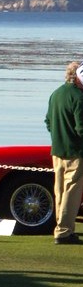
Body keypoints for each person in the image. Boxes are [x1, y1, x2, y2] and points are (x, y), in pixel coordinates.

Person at [45, 61, 83, 245]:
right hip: (76, 152)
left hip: (57, 150)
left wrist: (58, 136)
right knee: (71, 192)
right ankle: (64, 232)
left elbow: (48, 121)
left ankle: (61, 228)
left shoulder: (56, 94)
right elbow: (82, 128)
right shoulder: (79, 97)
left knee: (59, 191)